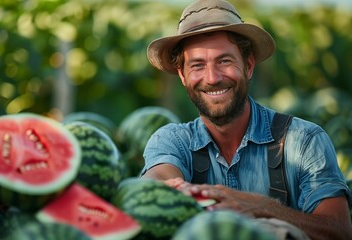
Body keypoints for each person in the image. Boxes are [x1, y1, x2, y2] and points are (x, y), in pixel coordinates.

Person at [140, 0, 352, 239]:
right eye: (197, 65)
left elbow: (339, 231)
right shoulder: (171, 140)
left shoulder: (304, 141)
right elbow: (158, 177)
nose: (212, 78)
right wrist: (165, 187)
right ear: (182, 75)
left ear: (248, 66)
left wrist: (262, 207)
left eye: (224, 61)